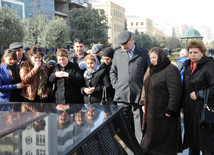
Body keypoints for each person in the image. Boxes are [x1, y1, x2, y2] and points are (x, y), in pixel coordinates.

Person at [139, 47, 182, 155]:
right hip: (152, 112)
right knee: (150, 140)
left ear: (161, 56)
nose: (152, 60)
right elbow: (145, 86)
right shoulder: (151, 69)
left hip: (164, 114)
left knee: (164, 144)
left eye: (154, 57)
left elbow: (175, 92)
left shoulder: (171, 69)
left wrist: (171, 109)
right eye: (150, 57)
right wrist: (143, 102)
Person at [110, 30, 150, 134]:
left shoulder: (143, 53)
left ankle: (138, 148)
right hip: (121, 95)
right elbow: (112, 72)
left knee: (139, 126)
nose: (123, 46)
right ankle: (125, 148)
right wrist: (117, 86)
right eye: (121, 44)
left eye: (125, 43)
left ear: (132, 40)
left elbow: (148, 73)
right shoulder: (117, 53)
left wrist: (144, 91)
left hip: (138, 95)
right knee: (123, 126)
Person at [182, 40, 214, 155]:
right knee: (193, 143)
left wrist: (199, 94)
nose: (192, 55)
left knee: (207, 144)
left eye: (196, 52)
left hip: (204, 111)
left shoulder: (209, 65)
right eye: (190, 52)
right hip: (190, 112)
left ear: (202, 53)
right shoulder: (187, 66)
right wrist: (182, 105)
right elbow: (185, 87)